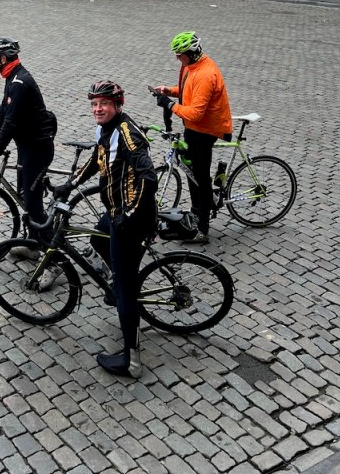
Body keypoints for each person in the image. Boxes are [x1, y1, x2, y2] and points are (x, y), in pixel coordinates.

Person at [53, 81, 157, 378]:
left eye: (104, 104)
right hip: (115, 214)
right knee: (97, 240)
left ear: (117, 105)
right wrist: (70, 185)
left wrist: (130, 213)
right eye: (94, 104)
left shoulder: (127, 134)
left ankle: (131, 361)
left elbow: (149, 178)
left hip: (131, 220)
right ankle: (118, 285)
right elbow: (95, 162)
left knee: (125, 290)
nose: (98, 109)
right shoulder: (105, 130)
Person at [154, 31, 232, 244]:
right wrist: (169, 91)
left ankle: (202, 229)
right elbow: (187, 91)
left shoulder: (205, 74)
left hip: (205, 130)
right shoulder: (192, 66)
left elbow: (196, 113)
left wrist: (170, 105)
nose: (177, 58)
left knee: (201, 178)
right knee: (192, 172)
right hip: (194, 128)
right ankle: (197, 210)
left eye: (179, 54)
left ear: (191, 52)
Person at [0, 38, 55, 227]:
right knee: (24, 194)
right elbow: (3, 111)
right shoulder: (13, 77)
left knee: (32, 204)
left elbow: (10, 124)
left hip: (37, 150)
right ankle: (34, 235)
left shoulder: (19, 83)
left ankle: (49, 242)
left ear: (3, 58)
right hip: (26, 147)